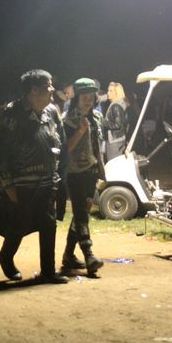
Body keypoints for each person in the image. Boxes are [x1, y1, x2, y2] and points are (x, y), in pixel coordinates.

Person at [0, 69, 68, 284]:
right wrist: (8, 186)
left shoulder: (52, 112)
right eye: (48, 86)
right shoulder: (11, 115)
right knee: (18, 225)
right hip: (21, 184)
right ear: (33, 90)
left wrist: (60, 175)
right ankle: (6, 256)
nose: (52, 89)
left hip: (48, 181)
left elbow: (61, 142)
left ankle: (48, 271)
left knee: (48, 225)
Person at [62, 78, 105, 276]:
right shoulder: (67, 120)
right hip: (75, 172)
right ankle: (89, 255)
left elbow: (97, 146)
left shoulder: (97, 117)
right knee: (81, 213)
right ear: (77, 97)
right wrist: (80, 131)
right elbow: (66, 149)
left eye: (91, 96)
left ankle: (68, 256)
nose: (88, 100)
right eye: (84, 96)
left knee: (82, 213)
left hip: (92, 171)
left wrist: (100, 170)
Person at [104, 81, 134, 160]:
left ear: (117, 93)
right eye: (108, 90)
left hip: (114, 141)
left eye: (111, 91)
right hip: (119, 139)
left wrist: (103, 122)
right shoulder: (120, 104)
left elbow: (117, 125)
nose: (108, 93)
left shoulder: (116, 106)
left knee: (113, 163)